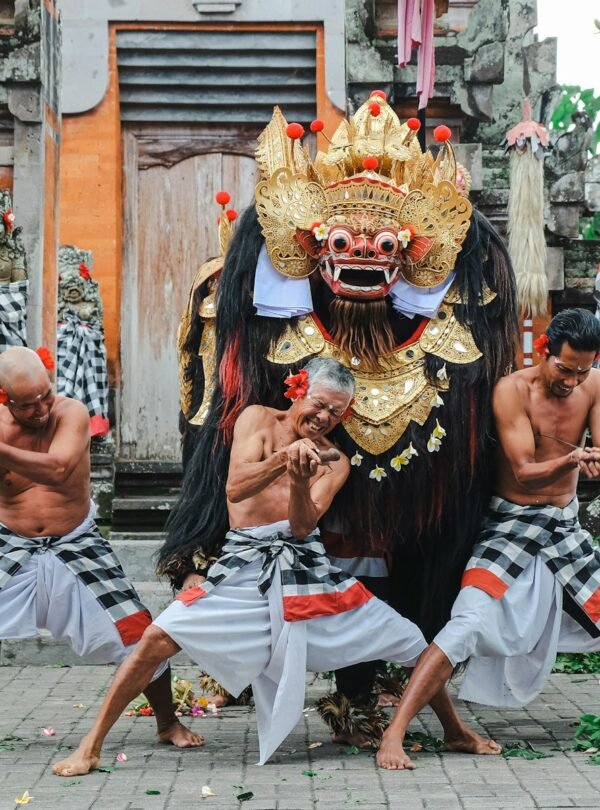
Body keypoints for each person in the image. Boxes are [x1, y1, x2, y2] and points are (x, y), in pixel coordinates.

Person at [53, 356, 496, 776]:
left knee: (412, 640)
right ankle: (90, 745)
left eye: (336, 414)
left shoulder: (335, 460)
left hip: (307, 568)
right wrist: (285, 460)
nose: (324, 418)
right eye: (319, 404)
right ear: (298, 390)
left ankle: (454, 731)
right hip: (243, 564)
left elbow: (304, 527)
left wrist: (302, 484)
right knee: (156, 637)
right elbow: (235, 488)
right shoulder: (256, 419)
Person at [377, 308, 600, 770]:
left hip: (564, 531)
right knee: (466, 625)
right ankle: (394, 735)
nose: (572, 382)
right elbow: (524, 471)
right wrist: (574, 460)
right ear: (544, 350)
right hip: (511, 528)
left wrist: (593, 459)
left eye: (582, 371)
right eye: (564, 369)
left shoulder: (593, 385)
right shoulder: (511, 391)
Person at [0, 346, 201, 749]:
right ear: (5, 399)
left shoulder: (70, 412)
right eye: (28, 405)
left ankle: (167, 722)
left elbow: (58, 468)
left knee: (138, 631)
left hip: (76, 540)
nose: (41, 409)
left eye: (45, 396)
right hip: (12, 540)